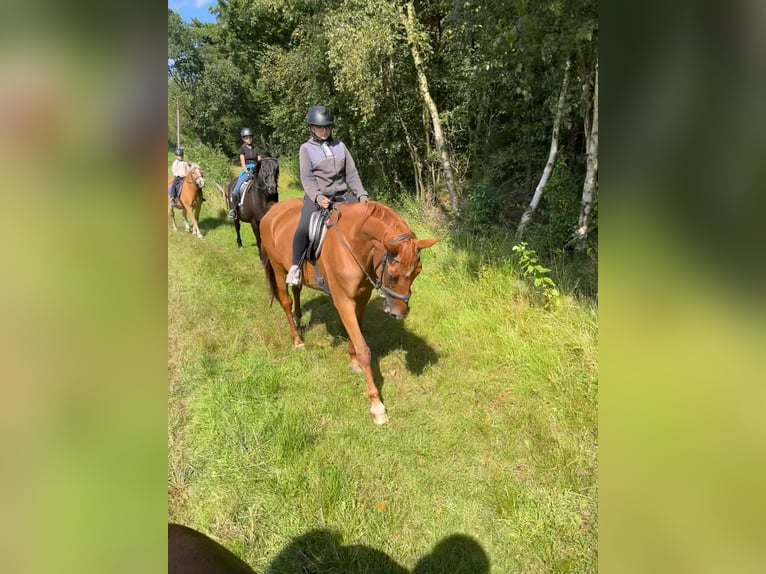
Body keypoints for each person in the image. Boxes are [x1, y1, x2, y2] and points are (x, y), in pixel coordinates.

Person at [286, 105, 369, 287]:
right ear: (312, 128)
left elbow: (352, 174)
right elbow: (307, 179)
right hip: (318, 197)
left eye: (327, 127)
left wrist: (361, 195)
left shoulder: (340, 146)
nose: (324, 131)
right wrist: (317, 196)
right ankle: (295, 268)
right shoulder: (306, 149)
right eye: (319, 127)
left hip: (342, 195)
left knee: (365, 221)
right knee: (304, 228)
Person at [229, 127, 261, 219]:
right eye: (246, 138)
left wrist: (259, 168)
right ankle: (233, 210)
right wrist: (247, 172)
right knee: (236, 190)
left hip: (256, 169)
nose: (249, 139)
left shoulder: (256, 148)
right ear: (243, 139)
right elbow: (242, 163)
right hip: (247, 170)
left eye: (250, 137)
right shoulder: (242, 149)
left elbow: (259, 160)